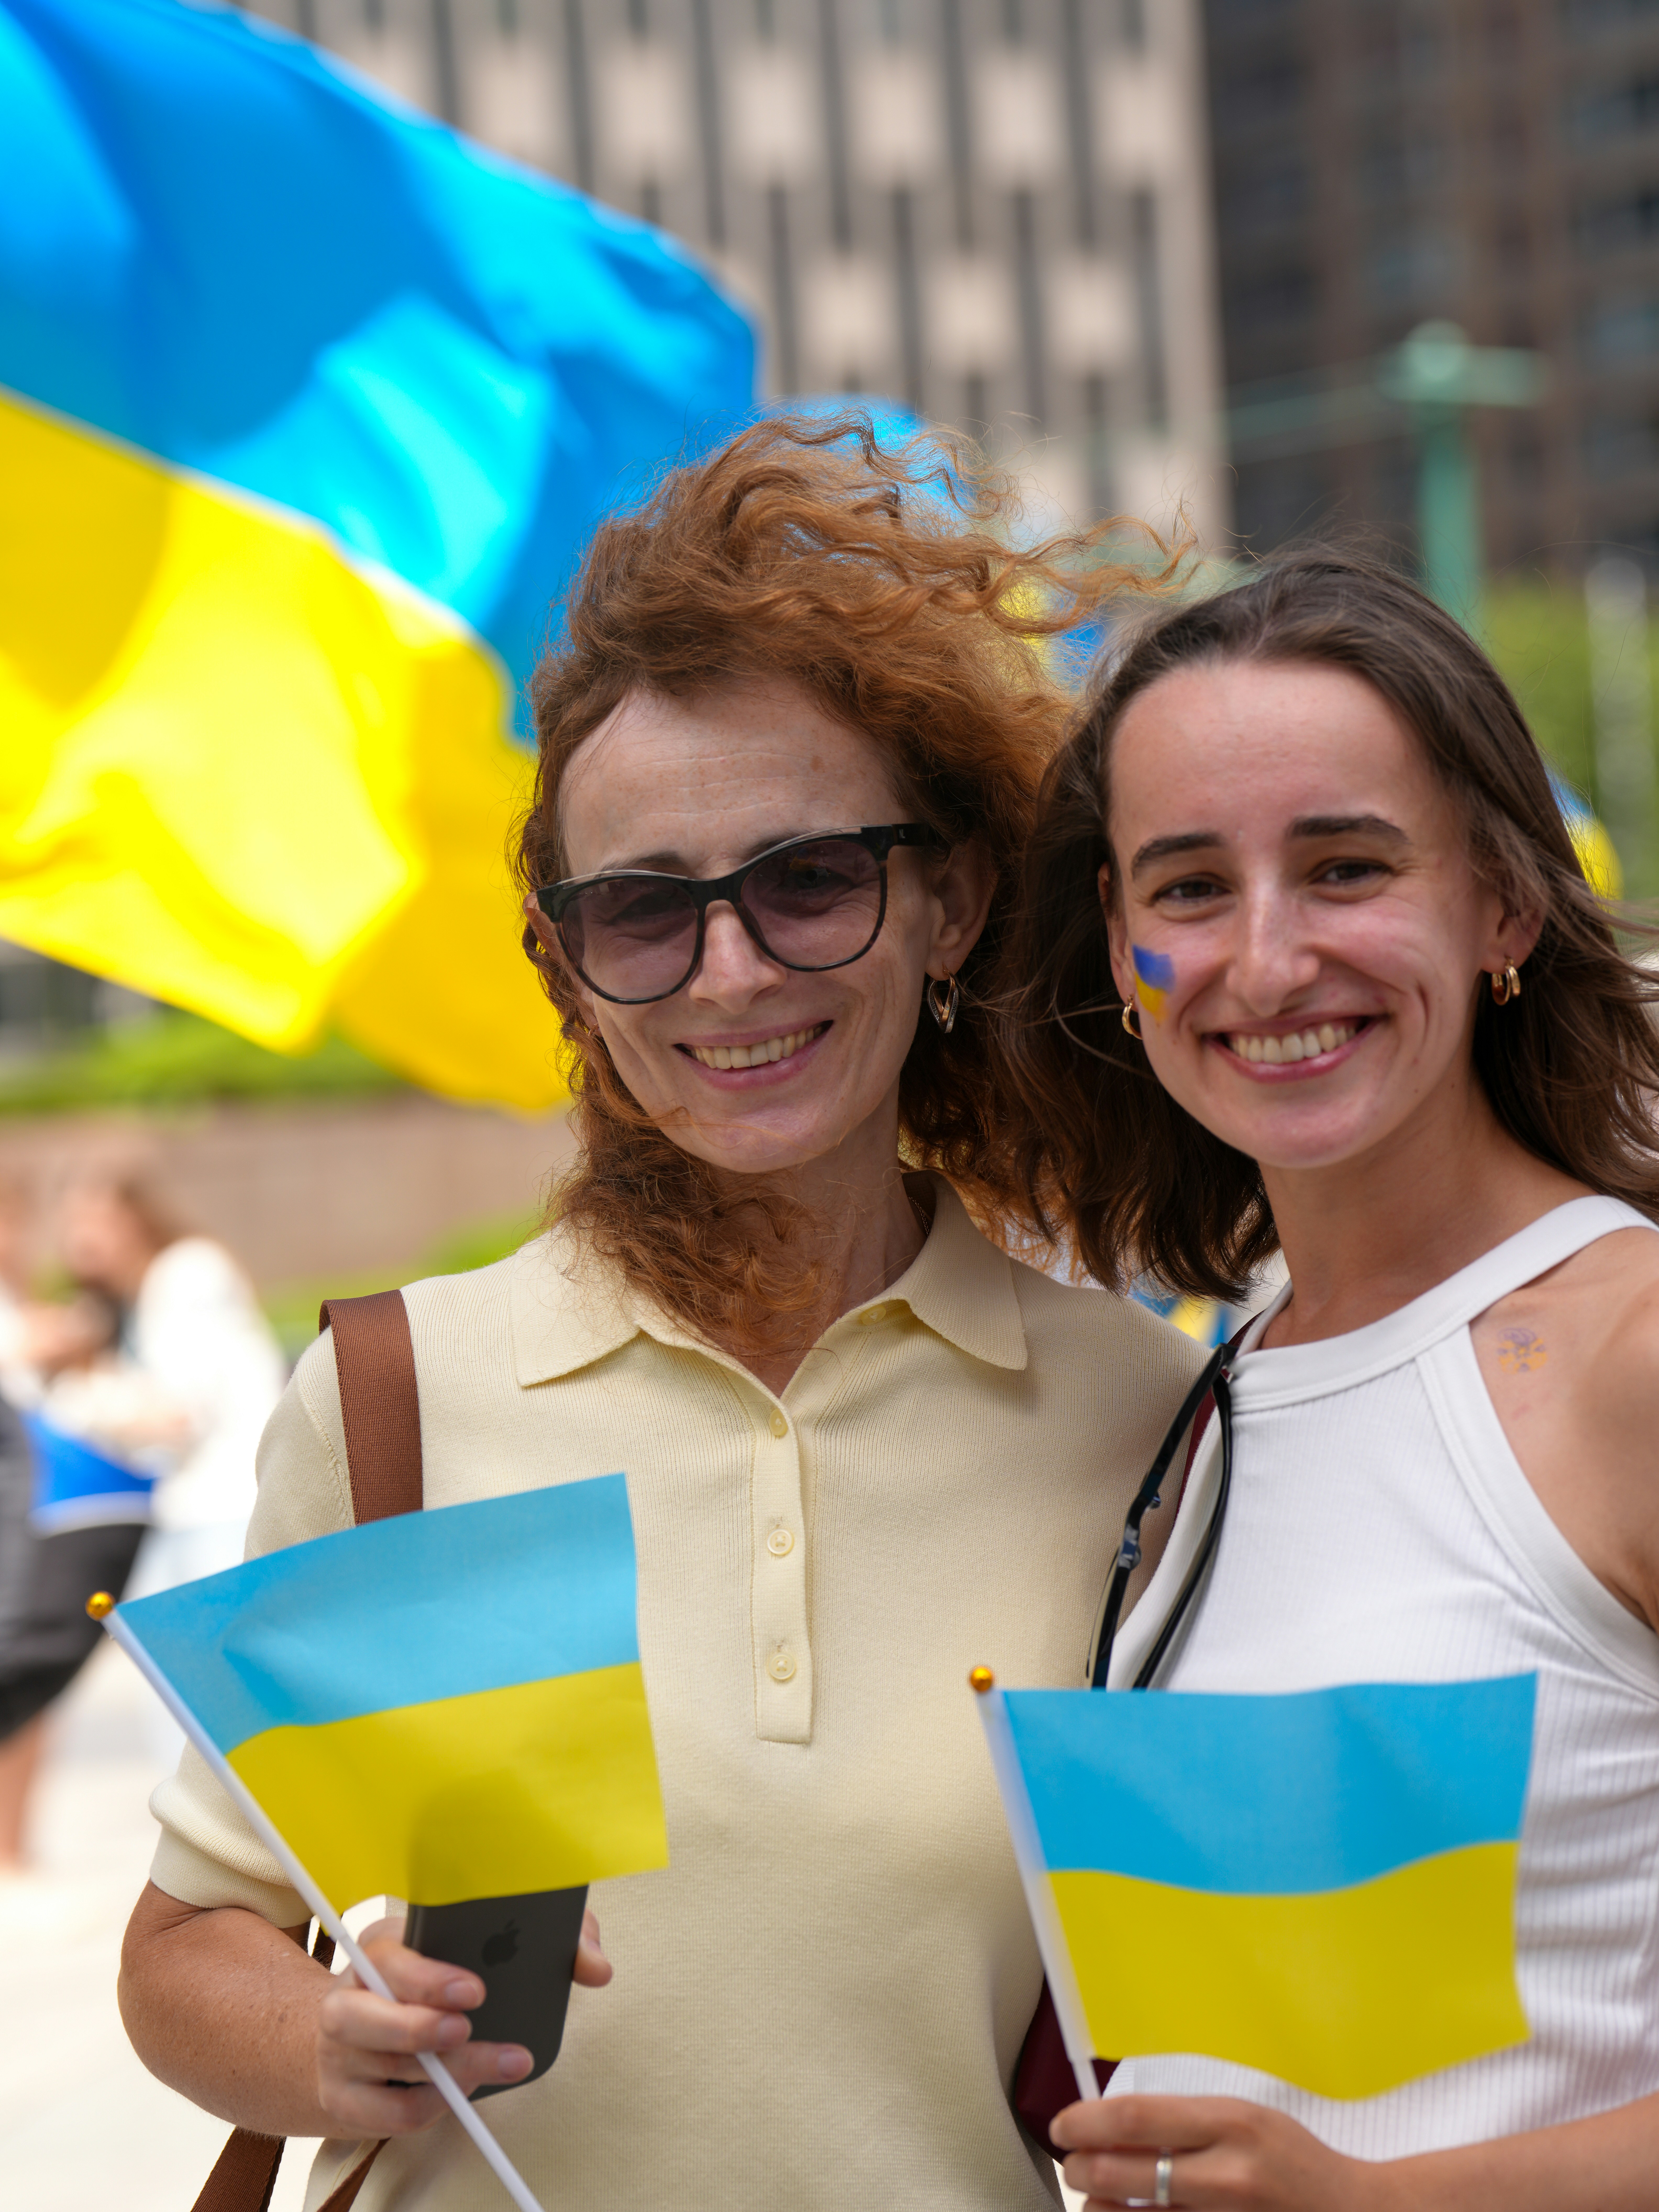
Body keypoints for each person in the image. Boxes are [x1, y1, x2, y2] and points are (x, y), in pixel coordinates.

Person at [116, 418, 1204, 2211]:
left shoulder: (1136, 1419)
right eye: (643, 911)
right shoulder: (404, 1391)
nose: (731, 973)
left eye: (807, 882)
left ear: (950, 901)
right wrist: (330, 2041)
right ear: (566, 968)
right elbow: (189, 1949)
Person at [1002, 551, 1659, 2210]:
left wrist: (1368, 2199)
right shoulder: (1209, 1403)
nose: (1271, 961)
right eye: (1191, 888)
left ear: (1504, 900)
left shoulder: (1631, 1359)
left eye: (1347, 867)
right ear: (1120, 943)